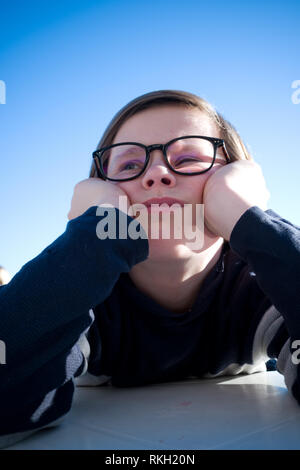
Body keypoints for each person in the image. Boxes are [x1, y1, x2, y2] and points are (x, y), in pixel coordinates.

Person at [0, 89, 299, 448]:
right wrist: (96, 235)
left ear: (236, 178)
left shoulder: (263, 288)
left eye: (188, 158)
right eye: (128, 165)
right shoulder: (80, 296)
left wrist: (252, 222)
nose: (156, 174)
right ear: (99, 193)